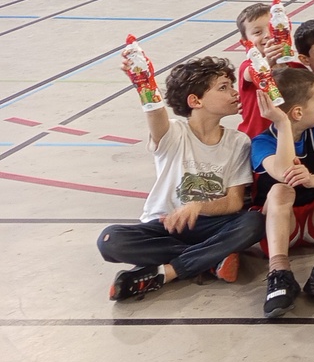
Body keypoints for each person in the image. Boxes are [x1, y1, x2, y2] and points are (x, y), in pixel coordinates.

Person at [100, 55, 265, 300]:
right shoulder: (174, 132)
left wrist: (198, 206)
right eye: (223, 87)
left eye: (232, 86)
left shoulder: (238, 141)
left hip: (211, 225)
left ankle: (169, 271)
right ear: (195, 101)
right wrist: (145, 84)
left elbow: (234, 202)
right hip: (165, 224)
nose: (234, 92)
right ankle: (210, 259)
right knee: (110, 240)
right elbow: (155, 114)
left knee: (254, 222)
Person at [250, 66, 314, 319]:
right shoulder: (261, 142)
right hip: (283, 228)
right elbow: (283, 172)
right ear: (298, 112)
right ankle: (279, 272)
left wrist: (311, 179)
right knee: (280, 191)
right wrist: (283, 123)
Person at [234, 2, 288, 139]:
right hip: (256, 139)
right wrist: (268, 61)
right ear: (245, 41)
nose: (268, 35)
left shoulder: (294, 67)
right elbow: (254, 73)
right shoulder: (247, 67)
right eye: (258, 32)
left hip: (286, 137)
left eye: (272, 28)